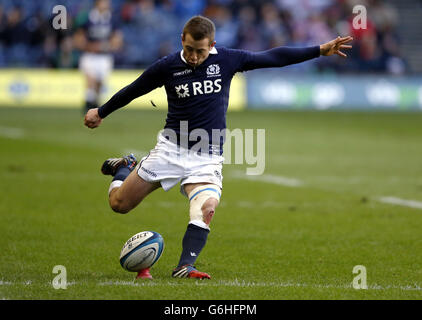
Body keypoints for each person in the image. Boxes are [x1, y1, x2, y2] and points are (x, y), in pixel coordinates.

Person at [84, 15, 352, 280]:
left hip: (207, 156)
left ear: (212, 44)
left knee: (207, 206)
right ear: (182, 40)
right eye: (188, 49)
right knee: (119, 204)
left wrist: (320, 50)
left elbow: (272, 57)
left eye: (199, 51)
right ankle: (124, 168)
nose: (193, 56)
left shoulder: (226, 59)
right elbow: (134, 90)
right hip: (170, 150)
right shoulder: (167, 66)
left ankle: (184, 267)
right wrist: (102, 111)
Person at [75, 0, 123, 113]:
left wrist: (105, 46)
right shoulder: (88, 18)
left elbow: (117, 40)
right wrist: (89, 46)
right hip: (90, 55)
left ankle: (94, 104)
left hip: (104, 56)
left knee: (100, 83)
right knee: (90, 79)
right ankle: (88, 103)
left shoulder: (112, 19)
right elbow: (79, 38)